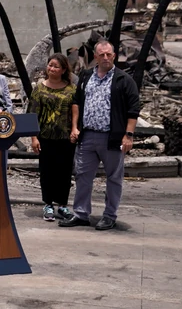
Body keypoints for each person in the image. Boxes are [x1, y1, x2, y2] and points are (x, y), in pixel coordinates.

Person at [59, 40, 141, 231]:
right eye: (101, 54)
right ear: (95, 56)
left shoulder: (124, 80)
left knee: (113, 178)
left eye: (109, 54)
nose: (105, 58)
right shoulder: (86, 76)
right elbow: (76, 102)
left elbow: (133, 110)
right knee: (82, 176)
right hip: (87, 136)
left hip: (112, 138)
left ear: (114, 56)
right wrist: (75, 127)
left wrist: (128, 135)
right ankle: (81, 214)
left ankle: (109, 216)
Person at [27, 53, 77, 222]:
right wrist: (34, 138)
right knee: (47, 172)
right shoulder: (39, 89)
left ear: (63, 70)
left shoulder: (72, 89)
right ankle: (48, 204)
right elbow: (32, 114)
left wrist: (74, 130)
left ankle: (62, 205)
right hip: (45, 137)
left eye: (56, 66)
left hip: (65, 138)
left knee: (64, 172)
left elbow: (75, 112)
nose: (52, 68)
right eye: (50, 65)